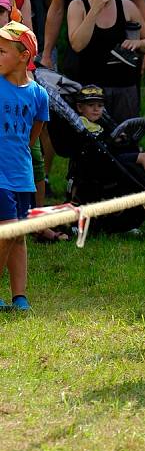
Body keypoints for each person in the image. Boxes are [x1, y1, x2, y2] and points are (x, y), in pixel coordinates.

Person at [67, 0, 145, 123]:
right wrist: (95, 9)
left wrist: (138, 43)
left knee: (125, 141)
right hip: (90, 91)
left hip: (124, 87)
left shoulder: (127, 6)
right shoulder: (78, 6)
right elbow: (77, 45)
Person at [0, 21, 49, 312]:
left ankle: (20, 296)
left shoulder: (38, 95)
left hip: (22, 174)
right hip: (0, 175)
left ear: (23, 56)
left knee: (18, 237)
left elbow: (33, 135)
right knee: (7, 231)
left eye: (2, 51)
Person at [74, 84, 145, 188]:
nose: (96, 109)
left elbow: (107, 138)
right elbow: (95, 142)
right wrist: (112, 140)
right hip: (104, 162)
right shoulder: (82, 123)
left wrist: (117, 138)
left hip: (112, 156)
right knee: (144, 157)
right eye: (91, 105)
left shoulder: (100, 123)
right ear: (80, 107)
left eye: (100, 106)